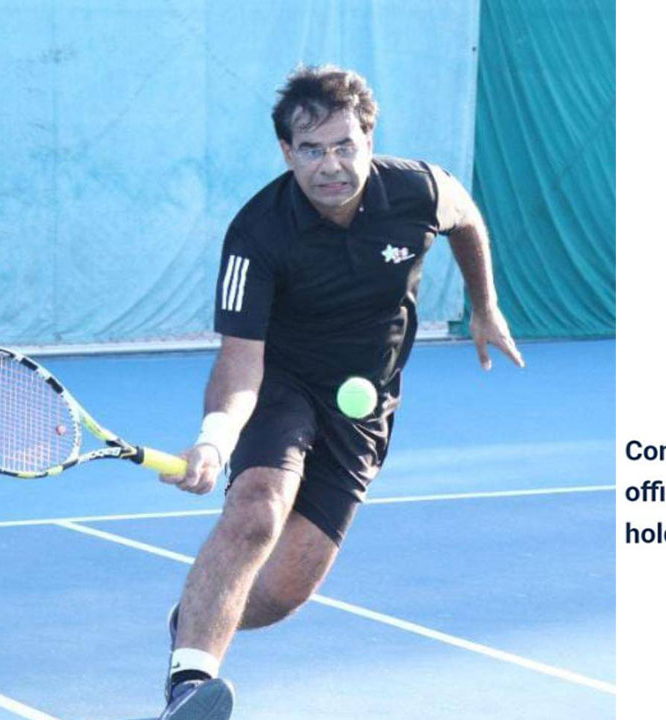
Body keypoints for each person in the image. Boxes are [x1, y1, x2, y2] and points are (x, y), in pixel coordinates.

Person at [155, 65, 524, 720]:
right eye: (312, 150)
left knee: (286, 590)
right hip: (283, 384)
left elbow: (466, 218)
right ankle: (190, 680)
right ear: (286, 152)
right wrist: (215, 439)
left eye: (344, 145)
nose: (331, 165)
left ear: (368, 140)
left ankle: (196, 617)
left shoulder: (418, 191)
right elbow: (240, 362)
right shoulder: (257, 234)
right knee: (258, 509)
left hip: (365, 405)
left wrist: (484, 303)